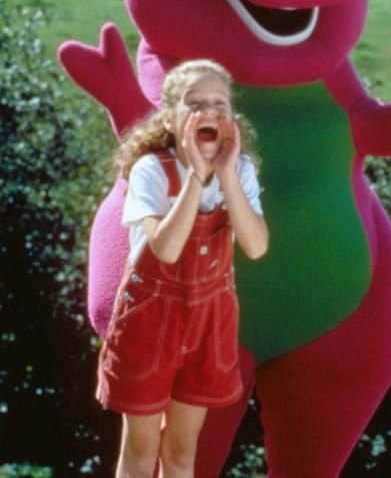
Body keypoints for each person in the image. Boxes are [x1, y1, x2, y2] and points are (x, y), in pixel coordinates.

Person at [96, 60, 268, 478]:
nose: (209, 111)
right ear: (171, 119)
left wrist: (226, 176)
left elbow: (256, 246)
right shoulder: (151, 170)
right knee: (141, 450)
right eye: (194, 104)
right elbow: (167, 248)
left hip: (209, 322)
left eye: (219, 104)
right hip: (149, 323)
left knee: (181, 450)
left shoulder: (240, 170)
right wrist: (196, 175)